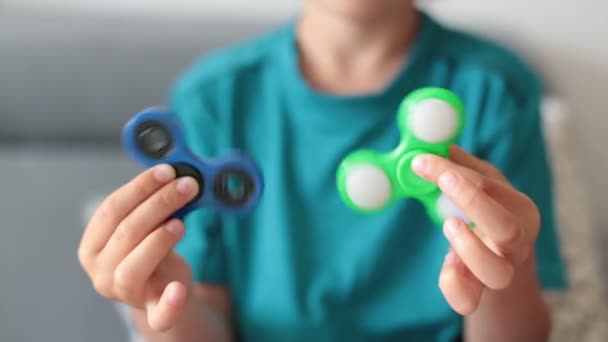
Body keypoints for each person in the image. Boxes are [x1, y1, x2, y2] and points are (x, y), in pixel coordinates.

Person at [77, 1, 568, 341]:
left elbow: (521, 332)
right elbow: (198, 324)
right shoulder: (217, 97)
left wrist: (509, 266)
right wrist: (158, 299)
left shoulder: (495, 89)